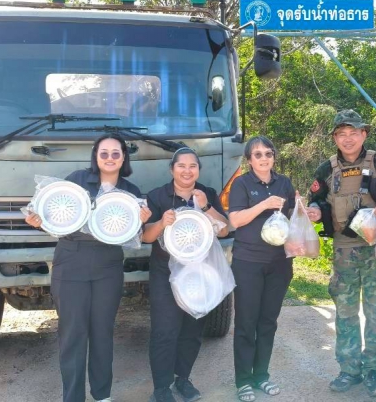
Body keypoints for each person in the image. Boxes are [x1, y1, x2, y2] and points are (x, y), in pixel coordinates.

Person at [25, 133, 152, 402]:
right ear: (96, 156)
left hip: (108, 266)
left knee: (102, 332)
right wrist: (39, 220)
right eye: (103, 153)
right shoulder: (76, 181)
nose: (109, 158)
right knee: (72, 335)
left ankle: (102, 395)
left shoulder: (131, 193)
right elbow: (54, 217)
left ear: (123, 158)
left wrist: (141, 221)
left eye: (115, 153)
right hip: (71, 262)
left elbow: (132, 235)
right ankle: (72, 398)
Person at [305, 109, 376, 398]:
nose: (347, 139)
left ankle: (374, 371)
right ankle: (349, 370)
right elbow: (317, 202)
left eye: (353, 132)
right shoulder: (326, 169)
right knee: (346, 313)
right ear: (335, 138)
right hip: (343, 252)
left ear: (364, 134)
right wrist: (313, 212)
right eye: (341, 134)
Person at [141, 147, 230, 402]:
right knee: (165, 330)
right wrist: (161, 223)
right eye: (181, 166)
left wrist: (207, 206)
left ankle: (183, 379)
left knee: (192, 329)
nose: (187, 171)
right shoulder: (158, 196)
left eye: (193, 166)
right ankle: (161, 388)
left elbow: (224, 230)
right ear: (172, 169)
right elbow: (146, 237)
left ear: (198, 170)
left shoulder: (206, 193)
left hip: (200, 274)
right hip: (165, 273)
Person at [227, 136, 296, 402]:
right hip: (248, 263)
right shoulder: (242, 184)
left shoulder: (284, 183)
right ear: (249, 160)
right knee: (246, 322)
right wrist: (264, 205)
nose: (264, 158)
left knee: (268, 322)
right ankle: (243, 380)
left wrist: (305, 211)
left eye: (269, 153)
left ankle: (262, 375)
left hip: (279, 263)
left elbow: (292, 215)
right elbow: (235, 219)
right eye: (258, 155)